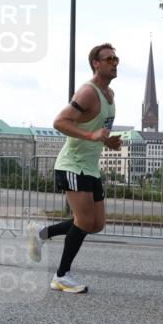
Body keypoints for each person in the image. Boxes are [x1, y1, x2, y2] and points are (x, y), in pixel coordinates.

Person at [27, 43, 121, 294]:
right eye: (109, 58)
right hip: (72, 165)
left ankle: (42, 233)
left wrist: (108, 141)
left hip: (90, 167)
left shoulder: (110, 96)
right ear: (96, 64)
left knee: (96, 224)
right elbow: (60, 121)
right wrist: (92, 136)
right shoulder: (88, 92)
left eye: (116, 58)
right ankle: (61, 275)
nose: (114, 62)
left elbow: (97, 129)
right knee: (85, 220)